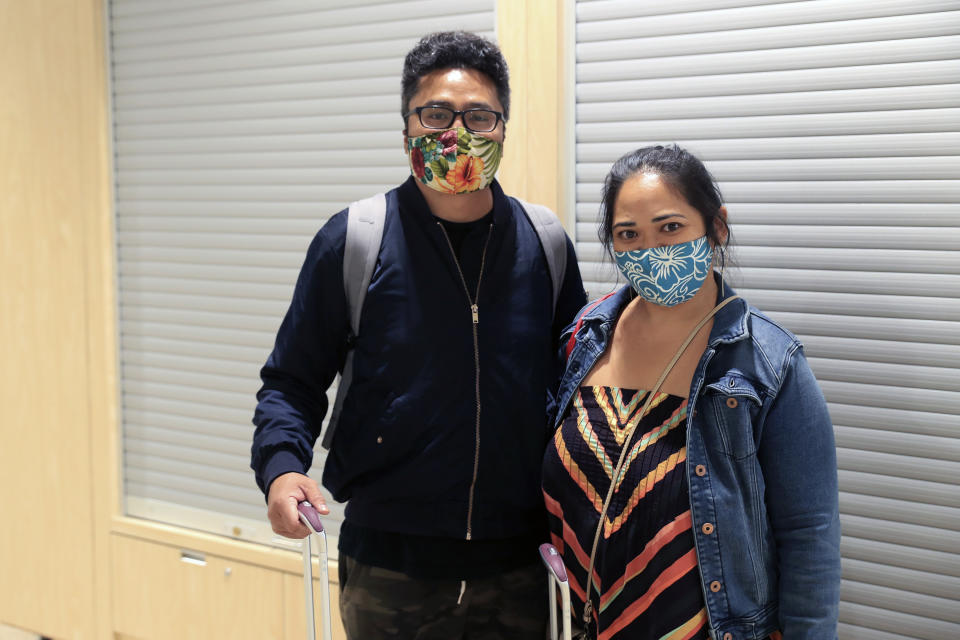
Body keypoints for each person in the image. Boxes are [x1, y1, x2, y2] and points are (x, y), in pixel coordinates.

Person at [251, 31, 587, 639]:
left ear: (502, 128)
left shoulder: (545, 244)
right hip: (389, 563)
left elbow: (579, 390)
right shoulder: (355, 238)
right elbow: (291, 380)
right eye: (435, 114)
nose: (456, 132)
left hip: (522, 563)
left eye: (479, 116)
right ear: (406, 127)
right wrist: (280, 467)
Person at [542, 145, 841, 639]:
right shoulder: (585, 336)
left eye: (670, 228)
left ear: (716, 226)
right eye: (628, 235)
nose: (651, 251)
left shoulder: (768, 363)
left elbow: (810, 535)